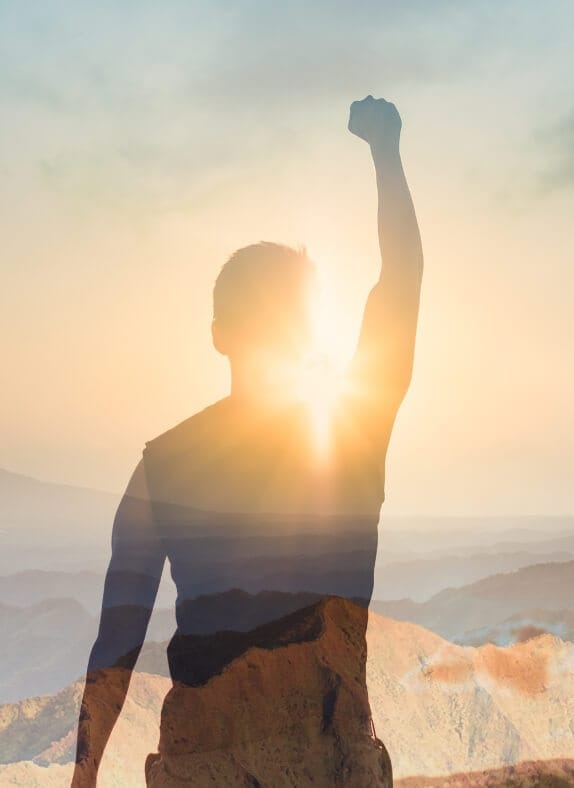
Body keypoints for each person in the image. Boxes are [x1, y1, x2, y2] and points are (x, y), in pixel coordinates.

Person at [71, 96, 422, 787]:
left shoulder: (160, 470)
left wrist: (83, 779)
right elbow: (400, 285)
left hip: (207, 764)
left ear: (217, 333)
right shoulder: (352, 438)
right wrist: (387, 154)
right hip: (330, 759)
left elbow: (117, 640)